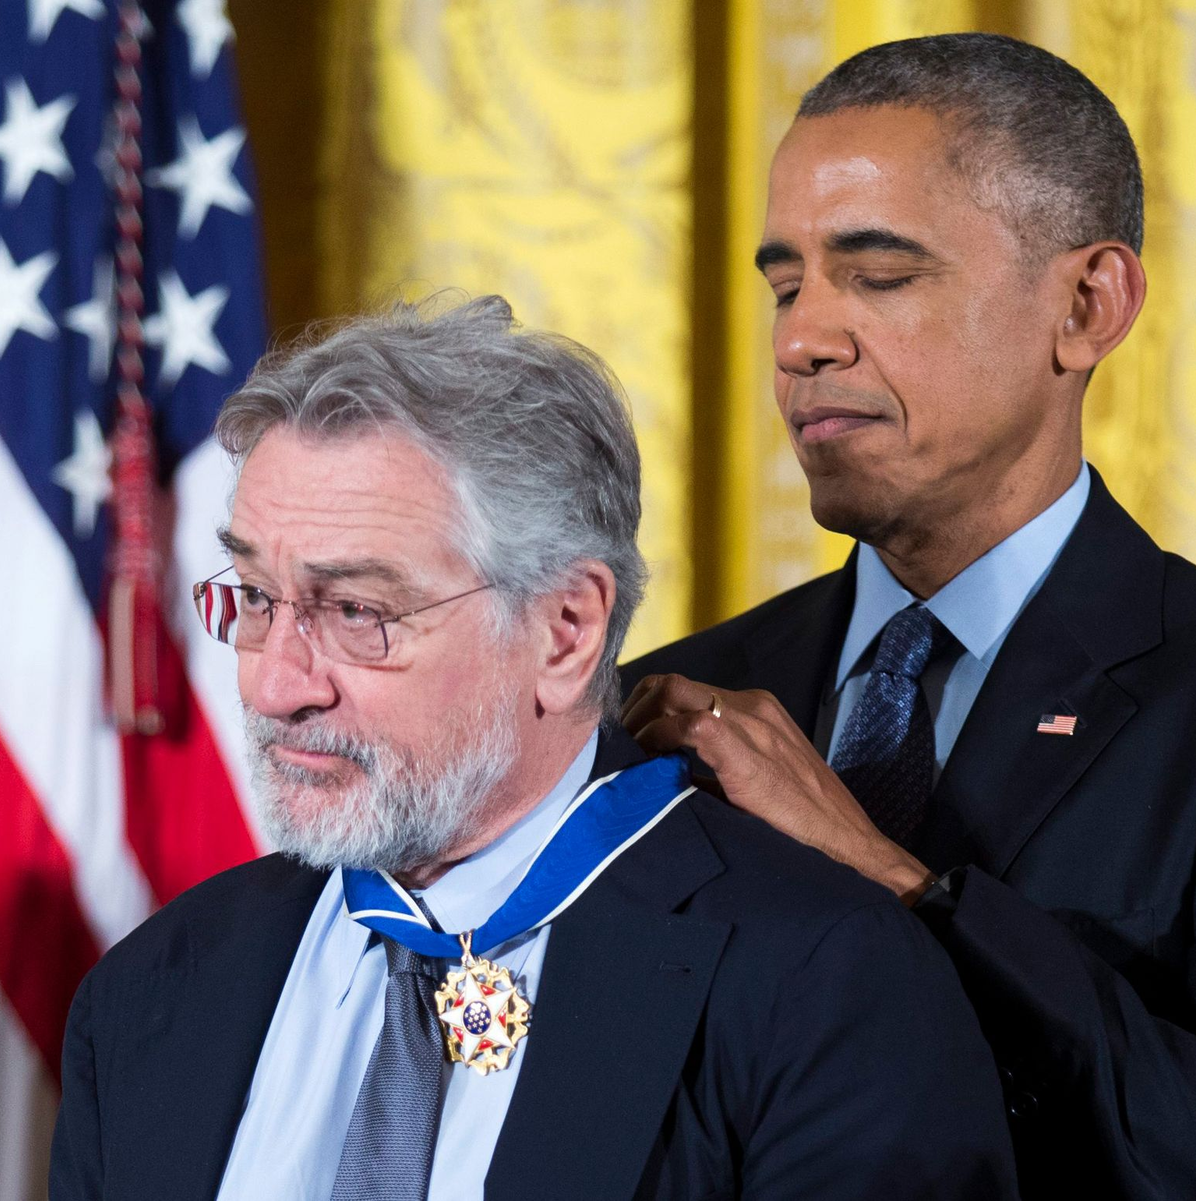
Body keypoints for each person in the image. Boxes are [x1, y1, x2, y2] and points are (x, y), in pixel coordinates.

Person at [50, 296, 1015, 1200]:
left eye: (356, 612)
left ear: (565, 630)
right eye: (259, 598)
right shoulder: (148, 993)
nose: (276, 686)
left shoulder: (826, 986)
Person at [622, 32, 1196, 1201]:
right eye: (785, 286)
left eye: (879, 277)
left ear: (1087, 304)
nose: (800, 341)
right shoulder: (657, 707)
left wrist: (890, 882)